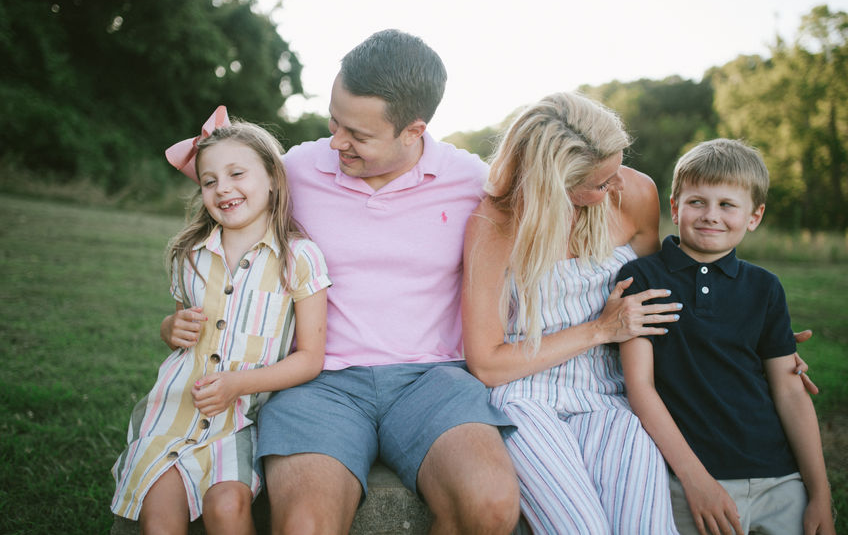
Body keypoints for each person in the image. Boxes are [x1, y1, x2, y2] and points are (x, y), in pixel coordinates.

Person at [221, 29, 517, 534]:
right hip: (316, 383)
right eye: (334, 121)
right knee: (304, 525)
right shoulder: (293, 171)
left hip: (434, 380)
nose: (336, 141)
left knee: (489, 507)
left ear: (413, 130)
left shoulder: (473, 182)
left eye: (357, 135)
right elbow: (220, 240)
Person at [462, 91, 683, 534]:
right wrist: (599, 329)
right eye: (601, 183)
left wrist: (753, 344)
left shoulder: (635, 193)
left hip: (612, 396)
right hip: (525, 398)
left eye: (618, 167)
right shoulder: (496, 225)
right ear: (555, 183)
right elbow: (486, 363)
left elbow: (657, 303)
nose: (616, 184)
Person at [113, 108, 330, 535]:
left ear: (272, 177)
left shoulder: (299, 258)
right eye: (210, 181)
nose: (222, 189)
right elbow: (178, 326)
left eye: (236, 174)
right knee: (159, 514)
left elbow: (310, 358)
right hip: (175, 409)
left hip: (241, 418)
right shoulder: (190, 254)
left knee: (228, 506)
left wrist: (236, 385)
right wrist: (168, 329)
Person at [618, 139, 835, 535]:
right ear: (674, 207)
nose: (710, 216)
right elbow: (641, 388)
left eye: (728, 205)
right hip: (692, 480)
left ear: (754, 216)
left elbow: (789, 391)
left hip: (779, 476)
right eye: (697, 202)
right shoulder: (644, 280)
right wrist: (695, 481)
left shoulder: (765, 287)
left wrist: (819, 492)